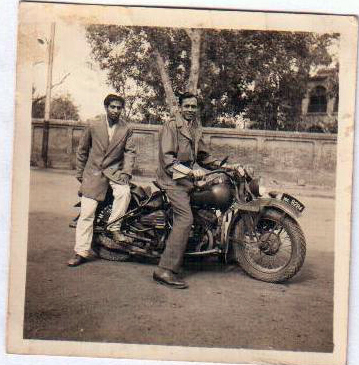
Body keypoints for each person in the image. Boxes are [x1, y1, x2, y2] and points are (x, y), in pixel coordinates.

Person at [153, 92, 243, 288]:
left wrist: (225, 166)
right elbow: (168, 161)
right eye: (187, 106)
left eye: (194, 107)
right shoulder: (171, 126)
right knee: (185, 218)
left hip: (186, 178)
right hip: (172, 180)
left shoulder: (194, 128)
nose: (191, 110)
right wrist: (191, 173)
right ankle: (164, 270)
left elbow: (204, 157)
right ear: (179, 107)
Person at [68, 94, 136, 267]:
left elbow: (130, 152)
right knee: (87, 213)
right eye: (112, 107)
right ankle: (80, 252)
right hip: (94, 173)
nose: (115, 110)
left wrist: (127, 173)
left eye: (119, 107)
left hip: (114, 171)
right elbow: (82, 150)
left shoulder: (126, 128)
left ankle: (114, 227)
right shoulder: (93, 124)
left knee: (124, 192)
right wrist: (80, 173)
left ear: (122, 109)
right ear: (106, 107)